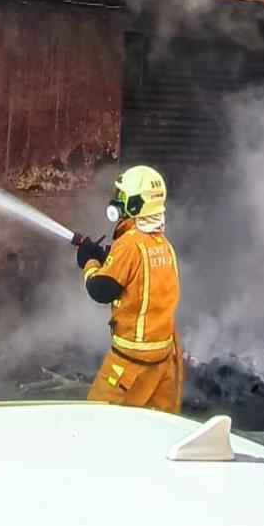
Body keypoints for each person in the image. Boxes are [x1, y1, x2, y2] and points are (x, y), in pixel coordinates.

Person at [76, 163, 182, 412]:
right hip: (163, 359)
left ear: (135, 205)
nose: (116, 201)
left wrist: (89, 263)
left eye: (121, 196)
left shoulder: (130, 243)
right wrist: (106, 261)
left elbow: (101, 290)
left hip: (130, 361)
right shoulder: (161, 243)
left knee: (98, 420)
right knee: (155, 426)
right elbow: (135, 277)